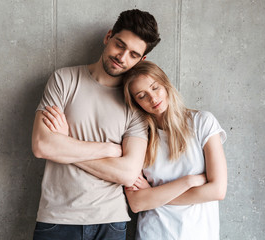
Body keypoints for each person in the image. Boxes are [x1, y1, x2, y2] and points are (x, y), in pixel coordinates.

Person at [31, 9, 160, 240]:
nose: (122, 57)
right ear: (108, 36)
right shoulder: (64, 80)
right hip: (57, 219)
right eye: (119, 45)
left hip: (110, 221)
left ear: (142, 60)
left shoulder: (137, 103)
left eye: (133, 54)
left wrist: (65, 145)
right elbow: (42, 146)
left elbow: (129, 173)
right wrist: (108, 149)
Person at [122, 60, 227, 240]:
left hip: (200, 234)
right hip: (154, 234)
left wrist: (153, 195)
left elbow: (217, 191)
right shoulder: (139, 138)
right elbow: (137, 203)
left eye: (155, 88)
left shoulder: (202, 122)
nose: (153, 98)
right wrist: (188, 181)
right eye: (142, 96)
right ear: (135, 102)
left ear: (165, 84)